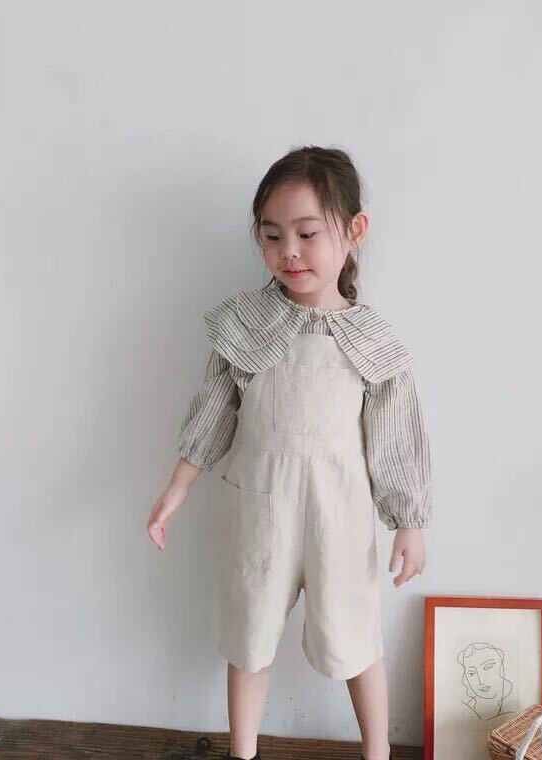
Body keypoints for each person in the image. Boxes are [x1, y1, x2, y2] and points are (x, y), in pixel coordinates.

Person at [146, 146, 433, 760]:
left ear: (354, 231)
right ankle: (243, 750)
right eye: (272, 236)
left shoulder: (374, 341)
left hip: (340, 512)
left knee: (356, 634)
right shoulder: (246, 327)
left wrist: (408, 522)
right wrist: (177, 486)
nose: (289, 252)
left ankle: (377, 751)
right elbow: (213, 412)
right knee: (249, 636)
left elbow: (395, 439)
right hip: (260, 508)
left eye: (306, 234)